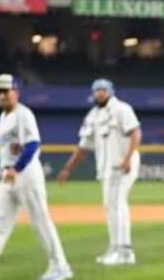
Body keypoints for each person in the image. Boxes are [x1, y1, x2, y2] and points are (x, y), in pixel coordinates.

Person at [0, 74, 72, 280]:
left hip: (25, 173)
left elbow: (32, 144)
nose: (2, 95)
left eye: (6, 91)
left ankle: (60, 266)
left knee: (40, 220)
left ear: (16, 92)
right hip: (9, 175)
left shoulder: (23, 114)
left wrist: (17, 168)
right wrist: (10, 171)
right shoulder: (4, 117)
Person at [58, 79, 141, 266]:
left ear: (111, 91)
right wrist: (68, 168)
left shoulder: (122, 109)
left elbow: (136, 134)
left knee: (118, 203)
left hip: (123, 163)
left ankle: (125, 251)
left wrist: (128, 159)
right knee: (109, 205)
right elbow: (83, 146)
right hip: (107, 168)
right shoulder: (93, 116)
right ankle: (114, 248)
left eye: (103, 90)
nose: (99, 94)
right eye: (96, 91)